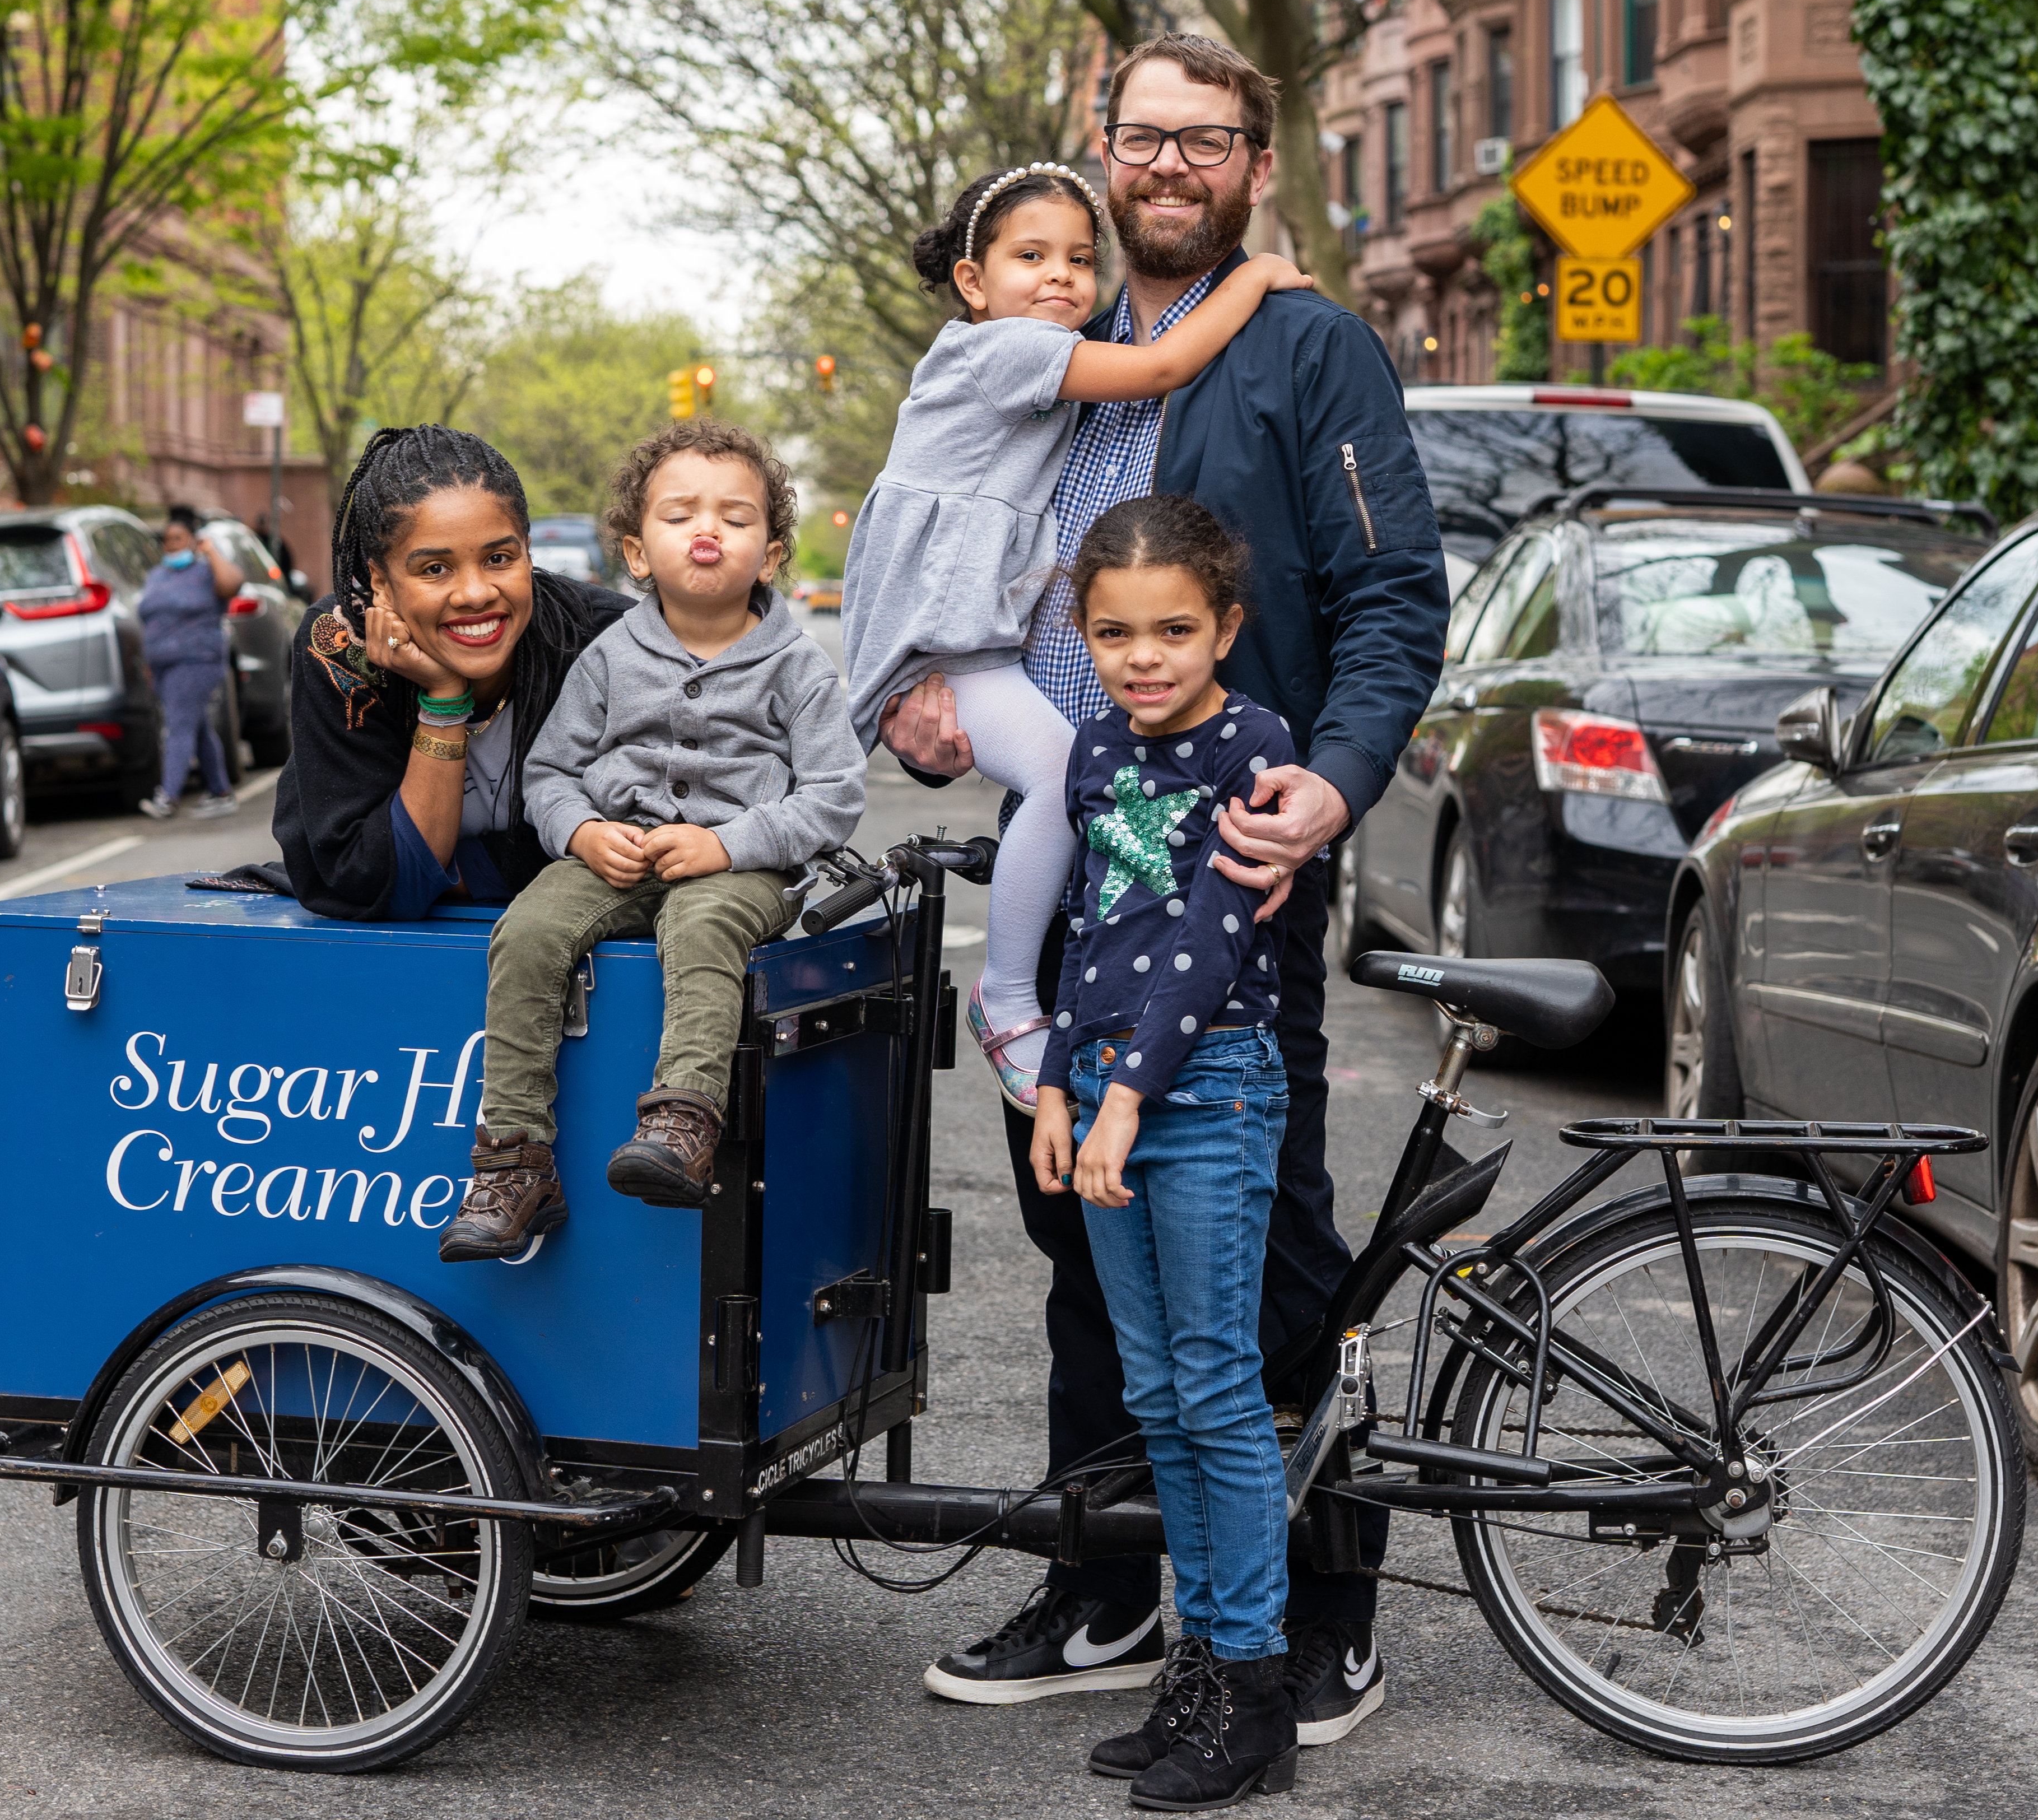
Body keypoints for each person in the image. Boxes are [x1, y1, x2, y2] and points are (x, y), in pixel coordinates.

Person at [897, 33, 1449, 1744]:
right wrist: (927, 700)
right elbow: (947, 558)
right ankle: (1111, 1581)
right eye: (1145, 136)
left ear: (1253, 166)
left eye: (1207, 142)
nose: (1168, 167)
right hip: (1063, 879)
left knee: (1264, 1256)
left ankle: (1316, 1608)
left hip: (1230, 878)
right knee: (1081, 1239)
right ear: (1099, 141)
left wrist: (1332, 783)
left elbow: (1392, 598)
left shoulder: (1302, 347)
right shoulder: (1027, 338)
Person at [840, 162, 1310, 1113]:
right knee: (1064, 769)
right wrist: (1252, 279)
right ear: (974, 283)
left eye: (1081, 259)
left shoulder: (1026, 354)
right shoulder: (1001, 351)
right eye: (1031, 256)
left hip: (967, 642)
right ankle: (1009, 999)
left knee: (1062, 773)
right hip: (942, 646)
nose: (1061, 276)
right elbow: (1164, 367)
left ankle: (1031, 993)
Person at [438, 422, 866, 1260]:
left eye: (735, 518)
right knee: (526, 932)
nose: (707, 530)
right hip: (619, 853)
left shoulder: (799, 668)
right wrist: (587, 832)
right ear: (637, 552)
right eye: (681, 515)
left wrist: (730, 844)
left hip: (743, 870)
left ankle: (683, 1120)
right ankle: (515, 1159)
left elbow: (834, 796)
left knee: (703, 925)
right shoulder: (607, 658)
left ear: (771, 555)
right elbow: (550, 775)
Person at [1032, 497, 1301, 1809]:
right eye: (1116, 633)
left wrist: (1129, 1094)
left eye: (1175, 631)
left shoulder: (1254, 747)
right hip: (1105, 1092)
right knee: (1153, 1390)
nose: (1145, 658)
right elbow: (1093, 931)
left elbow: (1206, 941)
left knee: (1216, 1383)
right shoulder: (1096, 754)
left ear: (1226, 627)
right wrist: (1056, 1086)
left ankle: (1254, 1681)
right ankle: (1194, 1669)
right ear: (1083, 635)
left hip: (1207, 1093)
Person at [269, 428, 632, 921]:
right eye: (435, 569)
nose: (475, 593)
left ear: (528, 551)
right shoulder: (340, 646)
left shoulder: (608, 641)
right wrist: (443, 700)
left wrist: (467, 871)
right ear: (381, 582)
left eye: (499, 559)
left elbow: (648, 835)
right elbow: (367, 878)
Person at [139, 504, 245, 821]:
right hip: (163, 665)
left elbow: (233, 584)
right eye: (167, 540)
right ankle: (220, 792)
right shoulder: (157, 576)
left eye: (179, 538)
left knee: (179, 727)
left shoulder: (205, 572)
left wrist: (210, 552)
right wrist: (150, 662)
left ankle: (168, 796)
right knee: (197, 727)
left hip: (197, 659)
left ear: (194, 540)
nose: (172, 545)